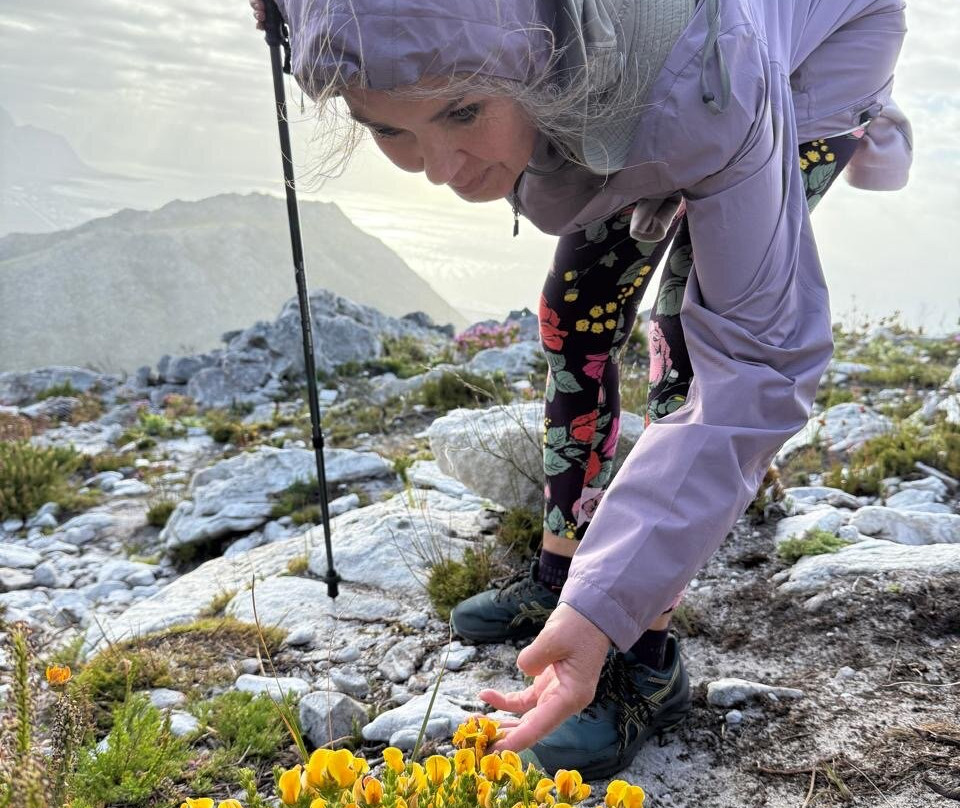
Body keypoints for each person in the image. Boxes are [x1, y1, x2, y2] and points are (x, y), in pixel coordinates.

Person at [249, 0, 911, 778]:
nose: (442, 170)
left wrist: (606, 611)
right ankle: (561, 570)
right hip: (627, 72)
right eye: (388, 129)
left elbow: (752, 362)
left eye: (463, 111)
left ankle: (643, 657)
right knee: (576, 311)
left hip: (795, 55)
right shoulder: (531, 62)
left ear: (534, 57)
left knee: (686, 342)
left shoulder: (707, 93)